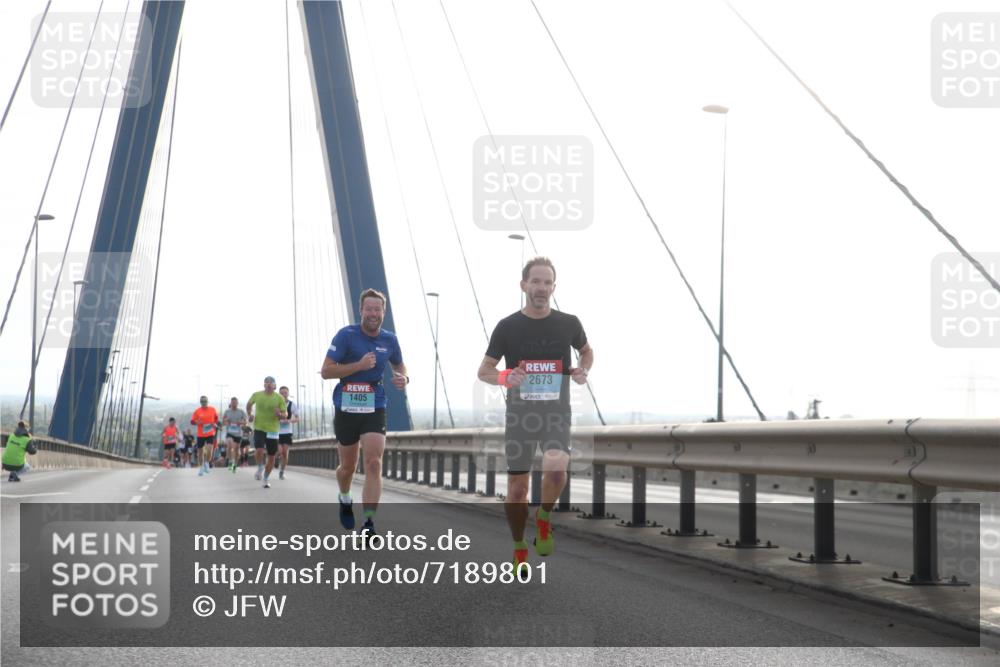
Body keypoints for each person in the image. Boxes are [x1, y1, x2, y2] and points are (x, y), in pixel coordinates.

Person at [477, 257, 593, 568]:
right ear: (524, 285)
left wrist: (583, 369)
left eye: (547, 282)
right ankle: (518, 547)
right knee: (517, 491)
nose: (541, 288)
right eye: (536, 281)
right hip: (520, 417)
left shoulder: (569, 323)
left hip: (556, 414)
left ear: (554, 287)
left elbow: (586, 350)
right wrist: (505, 377)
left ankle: (543, 516)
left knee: (556, 468)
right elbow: (484, 371)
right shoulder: (508, 326)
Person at [321, 288, 407, 536]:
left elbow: (399, 363)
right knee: (347, 467)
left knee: (373, 463)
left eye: (377, 309)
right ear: (361, 310)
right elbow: (326, 371)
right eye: (368, 309)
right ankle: (345, 497)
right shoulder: (346, 335)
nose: (372, 313)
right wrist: (358, 365)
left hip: (375, 404)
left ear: (383, 312)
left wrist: (404, 377)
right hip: (346, 404)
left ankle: (369, 523)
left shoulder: (390, 339)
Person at [246, 376, 287, 489]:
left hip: (273, 430)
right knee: (259, 449)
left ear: (274, 386)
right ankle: (260, 466)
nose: (269, 384)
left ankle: (265, 478)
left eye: (271, 383)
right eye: (266, 382)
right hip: (259, 427)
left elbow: (285, 414)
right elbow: (249, 405)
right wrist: (249, 415)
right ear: (264, 385)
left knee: (272, 456)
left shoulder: (279, 398)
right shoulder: (257, 395)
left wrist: (280, 415)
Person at [191, 396, 219, 476]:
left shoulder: (212, 409)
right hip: (201, 434)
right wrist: (197, 423)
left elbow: (216, 419)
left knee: (210, 449)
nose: (204, 403)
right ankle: (201, 467)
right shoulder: (197, 411)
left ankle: (206, 463)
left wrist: (215, 424)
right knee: (200, 453)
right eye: (202, 401)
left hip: (210, 433)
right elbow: (192, 421)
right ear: (200, 402)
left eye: (205, 401)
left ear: (208, 401)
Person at [275, 385, 299, 480]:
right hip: (276, 431)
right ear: (279, 394)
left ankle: (282, 471)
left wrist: (289, 421)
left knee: (285, 453)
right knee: (279, 451)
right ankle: (276, 458)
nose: (284, 395)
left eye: (285, 393)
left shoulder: (292, 404)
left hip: (287, 432)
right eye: (282, 393)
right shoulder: (275, 404)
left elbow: (297, 418)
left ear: (288, 394)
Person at [222, 397, 247, 473]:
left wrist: (241, 423)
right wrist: (226, 421)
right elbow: (223, 421)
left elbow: (245, 422)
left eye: (235, 403)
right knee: (230, 446)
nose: (234, 404)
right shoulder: (227, 411)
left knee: (236, 450)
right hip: (230, 433)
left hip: (238, 434)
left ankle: (234, 465)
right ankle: (230, 461)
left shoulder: (241, 412)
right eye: (232, 403)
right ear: (231, 403)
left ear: (237, 403)